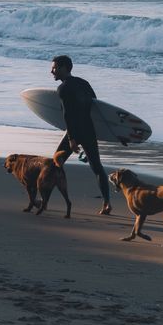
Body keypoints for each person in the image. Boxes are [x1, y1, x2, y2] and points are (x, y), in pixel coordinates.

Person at [50, 55, 112, 215]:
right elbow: (95, 105)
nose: (52, 71)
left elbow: (68, 115)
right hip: (89, 130)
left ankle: (44, 201)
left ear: (64, 68)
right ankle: (107, 203)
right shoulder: (84, 83)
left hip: (75, 131)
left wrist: (72, 139)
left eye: (54, 68)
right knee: (97, 167)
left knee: (55, 164)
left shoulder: (62, 89)